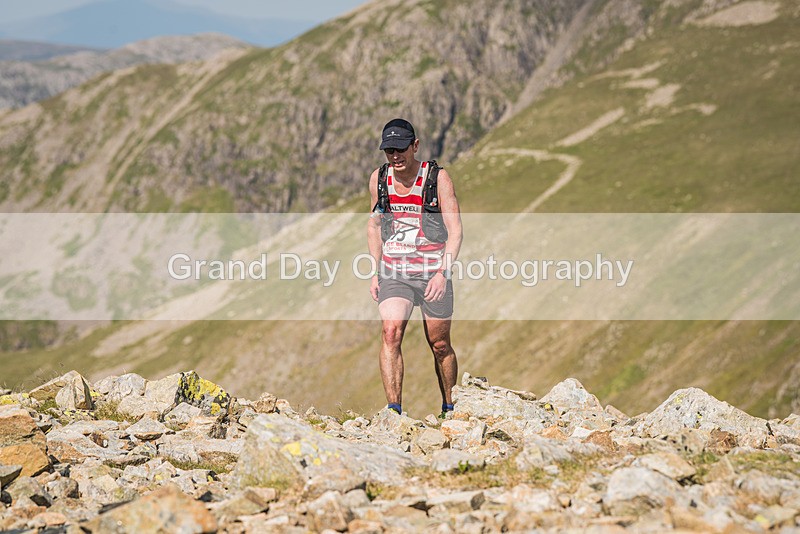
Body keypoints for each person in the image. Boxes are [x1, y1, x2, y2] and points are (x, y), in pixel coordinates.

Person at [367, 118, 463, 417]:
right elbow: (374, 225)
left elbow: (455, 229)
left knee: (439, 344)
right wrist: (375, 269)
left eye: (400, 149)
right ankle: (394, 412)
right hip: (395, 271)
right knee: (391, 332)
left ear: (415, 146)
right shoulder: (379, 179)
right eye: (389, 151)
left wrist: (442, 274)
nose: (395, 156)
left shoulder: (437, 178)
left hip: (433, 272)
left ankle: (450, 407)